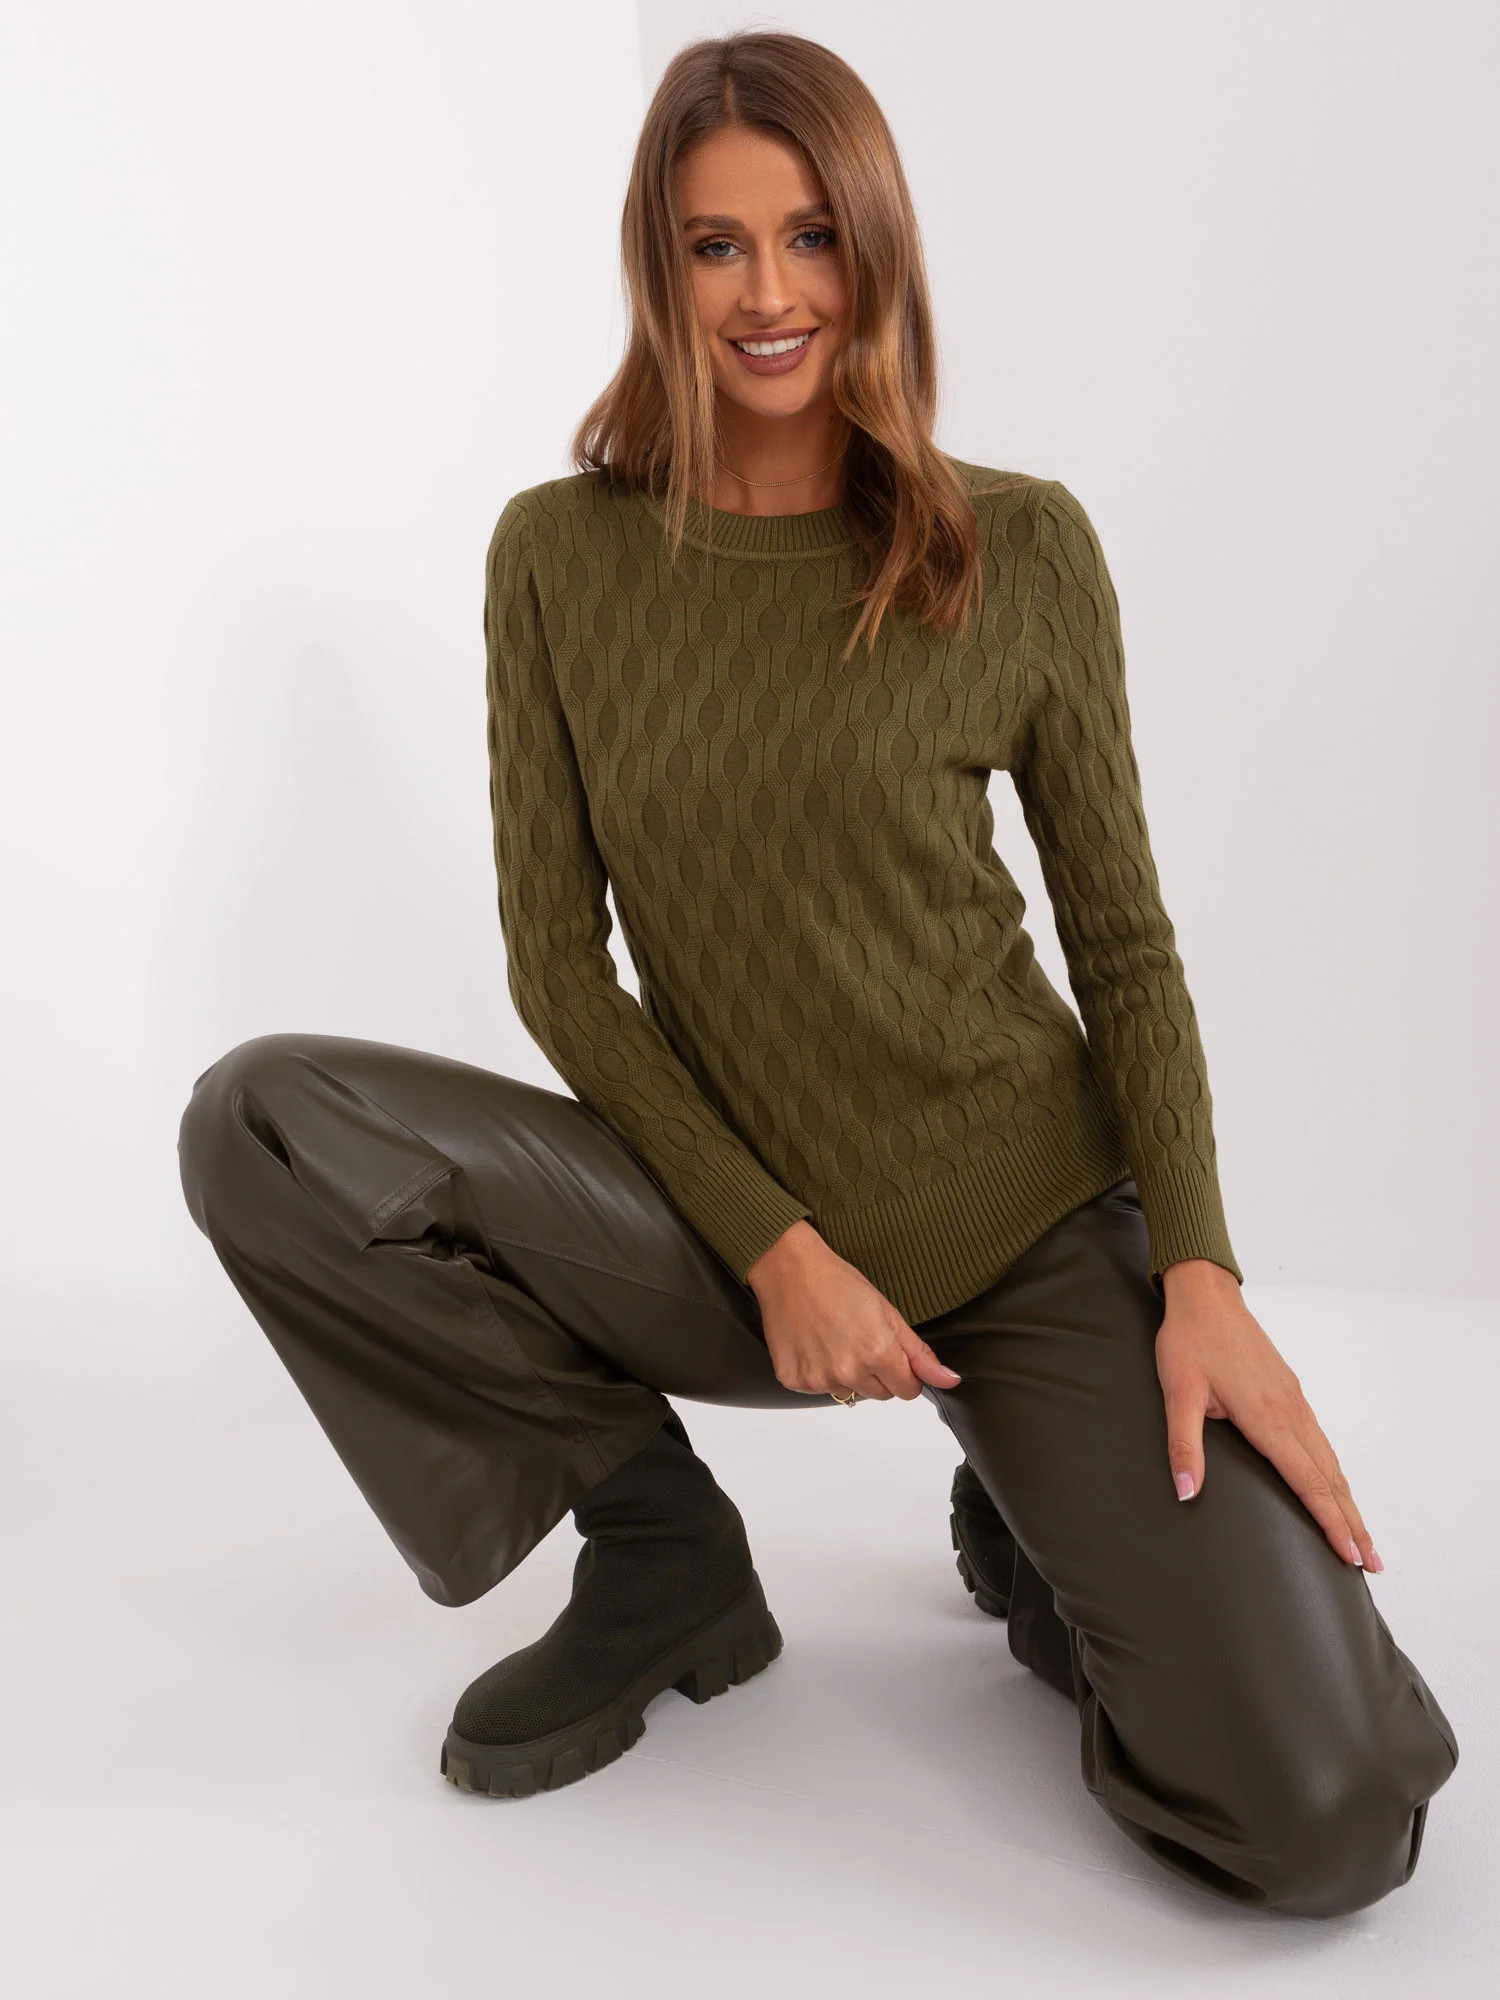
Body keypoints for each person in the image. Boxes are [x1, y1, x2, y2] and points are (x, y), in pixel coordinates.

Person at [176, 30, 1457, 1916]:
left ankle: (1036, 1530)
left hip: (1023, 1227)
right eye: (716, 244)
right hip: (720, 1245)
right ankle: (660, 1553)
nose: (768, 294)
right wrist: (776, 1246)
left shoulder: (1019, 547)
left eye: (811, 237)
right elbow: (562, 968)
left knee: (1327, 1822)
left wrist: (1198, 1269)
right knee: (267, 1123)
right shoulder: (557, 558)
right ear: (658, 265)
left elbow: (1124, 945)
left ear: (876, 250)